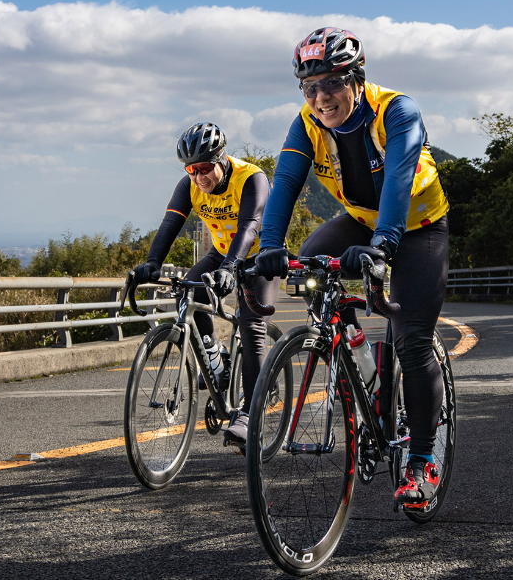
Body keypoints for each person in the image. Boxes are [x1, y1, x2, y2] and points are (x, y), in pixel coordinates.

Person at [254, 27, 450, 509]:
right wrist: (270, 247)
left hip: (419, 226)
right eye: (310, 87)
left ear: (357, 78)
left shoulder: (397, 111)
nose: (321, 97)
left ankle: (423, 459)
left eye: (333, 83)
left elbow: (399, 179)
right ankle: (354, 353)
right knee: (309, 266)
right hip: (361, 221)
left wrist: (384, 247)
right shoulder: (307, 122)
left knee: (411, 340)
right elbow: (284, 183)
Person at [130, 122, 279, 446]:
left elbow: (250, 227)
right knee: (187, 293)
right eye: (191, 170)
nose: (199, 177)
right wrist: (153, 262)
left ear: (221, 159)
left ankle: (249, 414)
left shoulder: (250, 178)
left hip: (258, 255)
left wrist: (231, 268)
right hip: (222, 253)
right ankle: (214, 356)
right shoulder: (189, 186)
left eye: (204, 168)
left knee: (252, 325)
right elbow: (171, 223)